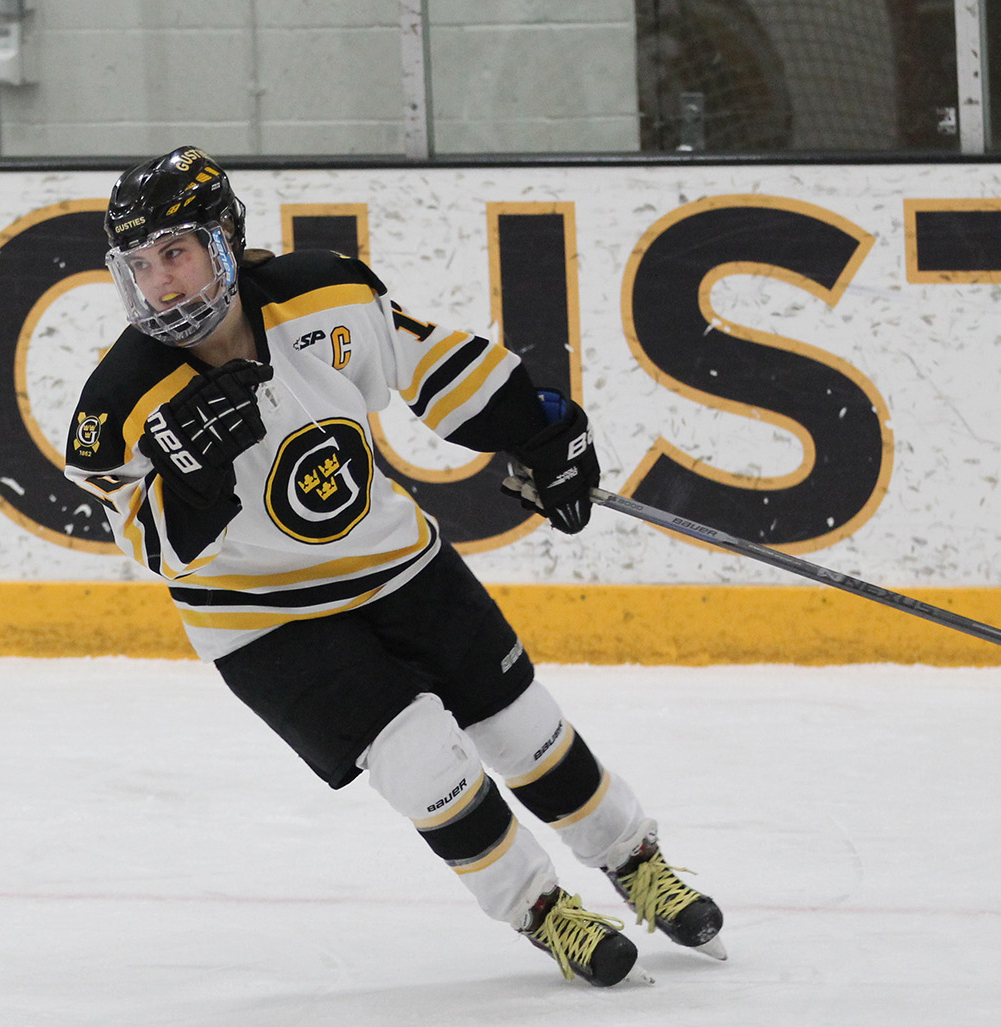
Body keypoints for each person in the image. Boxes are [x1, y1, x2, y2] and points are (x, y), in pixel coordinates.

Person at [64, 145, 725, 987]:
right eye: (140, 265)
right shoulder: (116, 404)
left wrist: (541, 427)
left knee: (522, 723)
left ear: (226, 240)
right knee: (420, 758)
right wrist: (194, 490)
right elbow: (150, 547)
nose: (161, 284)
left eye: (177, 252)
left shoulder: (324, 295)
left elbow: (434, 367)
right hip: (260, 619)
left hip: (395, 559)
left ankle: (634, 859)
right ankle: (541, 908)